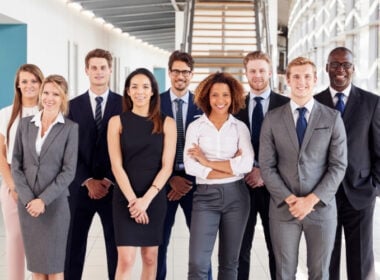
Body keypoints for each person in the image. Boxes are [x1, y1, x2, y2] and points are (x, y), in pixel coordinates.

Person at [259, 57, 347, 279]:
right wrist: (291, 200)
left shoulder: (332, 117)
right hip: (283, 209)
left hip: (321, 209)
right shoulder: (272, 118)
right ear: (287, 80)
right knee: (284, 272)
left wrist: (310, 200)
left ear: (315, 79)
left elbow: (338, 166)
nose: (302, 82)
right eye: (296, 76)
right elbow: (267, 167)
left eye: (307, 76)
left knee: (319, 272)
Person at [314, 47, 380, 280]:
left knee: (361, 261)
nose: (340, 69)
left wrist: (374, 185)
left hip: (361, 192)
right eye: (335, 64)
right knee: (326, 259)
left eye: (346, 65)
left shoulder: (372, 103)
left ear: (353, 69)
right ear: (326, 68)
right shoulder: (314, 103)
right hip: (324, 194)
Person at [107, 68, 176, 279]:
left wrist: (145, 201)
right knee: (126, 259)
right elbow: (116, 166)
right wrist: (133, 202)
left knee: (150, 257)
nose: (140, 92)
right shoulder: (116, 122)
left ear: (153, 91)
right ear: (127, 91)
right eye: (134, 87)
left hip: (153, 198)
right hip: (125, 197)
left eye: (145, 87)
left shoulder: (167, 123)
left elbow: (167, 167)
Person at [184, 72, 253, 280]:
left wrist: (206, 162)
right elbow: (190, 166)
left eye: (225, 95)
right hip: (205, 197)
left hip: (237, 198)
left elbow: (247, 164)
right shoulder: (196, 127)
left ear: (233, 98)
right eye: (215, 95)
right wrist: (230, 166)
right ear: (207, 96)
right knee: (198, 263)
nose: (220, 100)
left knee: (229, 263)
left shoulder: (240, 128)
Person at [12, 74, 79, 280]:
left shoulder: (70, 128)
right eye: (46, 93)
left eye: (55, 94)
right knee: (37, 269)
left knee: (55, 269)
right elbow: (16, 164)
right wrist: (29, 199)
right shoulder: (25, 124)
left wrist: (42, 200)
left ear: (63, 98)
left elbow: (68, 171)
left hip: (55, 207)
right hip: (28, 207)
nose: (49, 98)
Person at [65, 48, 120, 280]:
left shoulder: (124, 104)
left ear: (110, 70)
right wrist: (87, 180)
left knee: (115, 249)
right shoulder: (70, 106)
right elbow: (67, 150)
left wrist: (107, 179)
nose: (98, 72)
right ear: (86, 70)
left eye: (103, 67)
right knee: (72, 247)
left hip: (114, 188)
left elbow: (127, 148)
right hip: (79, 188)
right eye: (94, 67)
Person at [235, 51, 289, 280]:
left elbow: (290, 149)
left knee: (278, 252)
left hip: (275, 189)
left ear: (270, 72)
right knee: (240, 250)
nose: (257, 75)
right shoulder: (235, 106)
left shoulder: (286, 105)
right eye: (252, 71)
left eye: (261, 70)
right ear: (245, 73)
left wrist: (264, 174)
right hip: (242, 188)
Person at [157, 50, 210, 280]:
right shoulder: (154, 103)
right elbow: (148, 148)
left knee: (201, 247)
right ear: (169, 73)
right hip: (161, 183)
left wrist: (189, 176)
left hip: (195, 184)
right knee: (158, 245)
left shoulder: (205, 105)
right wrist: (169, 178)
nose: (181, 76)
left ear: (192, 74)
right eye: (176, 71)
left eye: (185, 72)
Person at [0, 64, 43, 280]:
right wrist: (12, 186)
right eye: (24, 81)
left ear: (41, 83)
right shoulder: (6, 114)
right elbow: (0, 154)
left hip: (43, 188)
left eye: (34, 81)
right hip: (13, 187)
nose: (29, 86)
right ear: (18, 84)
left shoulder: (49, 112)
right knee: (15, 239)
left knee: (41, 243)